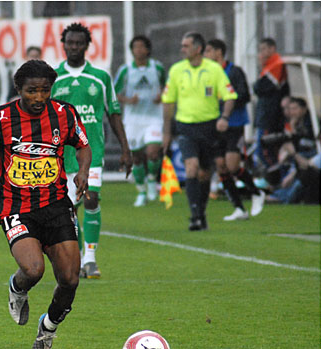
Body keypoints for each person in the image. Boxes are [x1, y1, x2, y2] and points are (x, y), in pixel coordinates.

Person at [0, 59, 91, 349]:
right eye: (32, 91)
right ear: (18, 89)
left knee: (70, 279)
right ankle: (17, 288)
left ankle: (48, 328)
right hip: (15, 207)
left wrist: (82, 171)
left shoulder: (64, 114)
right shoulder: (0, 119)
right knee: (34, 270)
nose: (39, 97)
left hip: (57, 204)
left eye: (45, 90)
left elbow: (82, 145)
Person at [51, 23, 132, 279]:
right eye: (70, 43)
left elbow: (113, 113)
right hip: (63, 156)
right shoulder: (53, 78)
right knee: (69, 209)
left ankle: (91, 258)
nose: (74, 47)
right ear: (63, 44)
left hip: (92, 151)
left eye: (79, 43)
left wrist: (125, 149)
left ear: (87, 46)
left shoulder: (101, 77)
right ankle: (76, 259)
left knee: (91, 198)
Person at [161, 32, 237, 231]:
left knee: (204, 174)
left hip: (209, 128)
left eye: (186, 46)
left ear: (198, 49)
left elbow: (230, 96)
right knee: (191, 168)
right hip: (185, 127)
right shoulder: (177, 70)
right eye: (182, 45)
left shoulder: (214, 69)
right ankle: (195, 216)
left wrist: (225, 117)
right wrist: (167, 132)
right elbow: (168, 102)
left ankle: (201, 213)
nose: (182, 49)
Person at [203, 39, 266, 221]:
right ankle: (239, 208)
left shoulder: (234, 71)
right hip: (214, 125)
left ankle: (256, 192)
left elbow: (245, 95)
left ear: (218, 52)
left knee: (232, 165)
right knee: (221, 167)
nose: (206, 55)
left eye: (208, 51)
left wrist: (226, 102)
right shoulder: (208, 74)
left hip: (235, 123)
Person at [114, 35, 166, 207]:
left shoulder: (157, 67)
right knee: (136, 157)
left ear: (148, 49)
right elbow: (114, 93)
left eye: (141, 46)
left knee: (153, 152)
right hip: (133, 119)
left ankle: (152, 181)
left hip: (153, 117)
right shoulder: (126, 70)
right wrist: (128, 100)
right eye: (135, 47)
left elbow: (167, 86)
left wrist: (162, 96)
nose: (138, 50)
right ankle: (141, 191)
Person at [253, 38, 290, 169]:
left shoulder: (276, 63)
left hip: (270, 117)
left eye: (263, 49)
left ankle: (277, 179)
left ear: (272, 48)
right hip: (265, 116)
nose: (261, 53)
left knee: (265, 151)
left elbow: (261, 87)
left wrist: (257, 85)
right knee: (264, 152)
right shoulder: (268, 66)